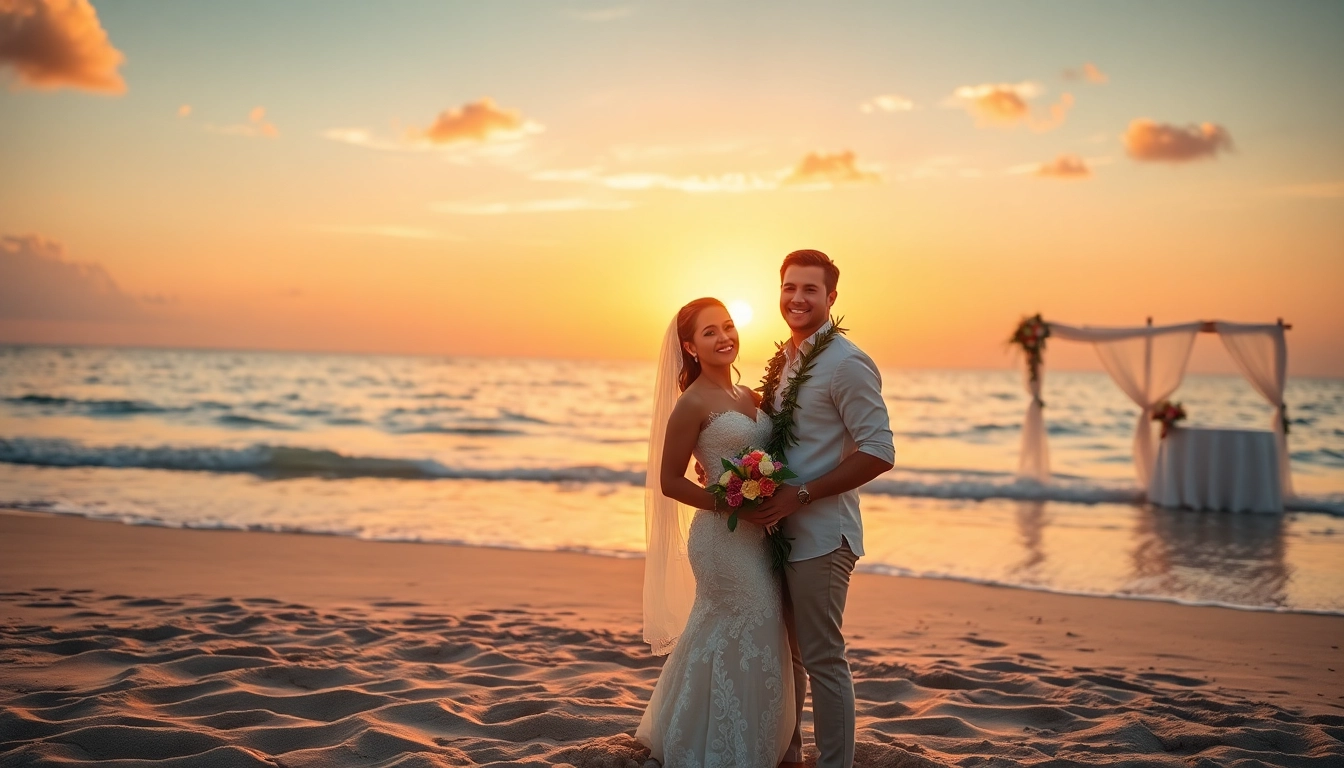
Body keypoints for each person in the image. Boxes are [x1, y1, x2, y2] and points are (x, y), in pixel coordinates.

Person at [742, 249, 895, 768]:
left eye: (810, 289)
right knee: (790, 657)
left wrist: (800, 495)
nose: (797, 298)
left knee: (824, 659)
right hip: (776, 531)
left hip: (823, 536)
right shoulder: (787, 360)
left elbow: (879, 451)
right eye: (789, 287)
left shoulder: (846, 363)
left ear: (832, 297)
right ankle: (789, 755)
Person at [637, 297, 795, 768]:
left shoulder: (750, 398)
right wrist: (733, 505)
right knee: (749, 622)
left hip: (759, 537)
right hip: (721, 539)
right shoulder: (692, 403)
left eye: (727, 326)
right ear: (689, 345)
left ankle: (749, 742)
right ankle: (722, 749)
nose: (724, 336)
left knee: (751, 632)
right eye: (709, 332)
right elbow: (670, 481)